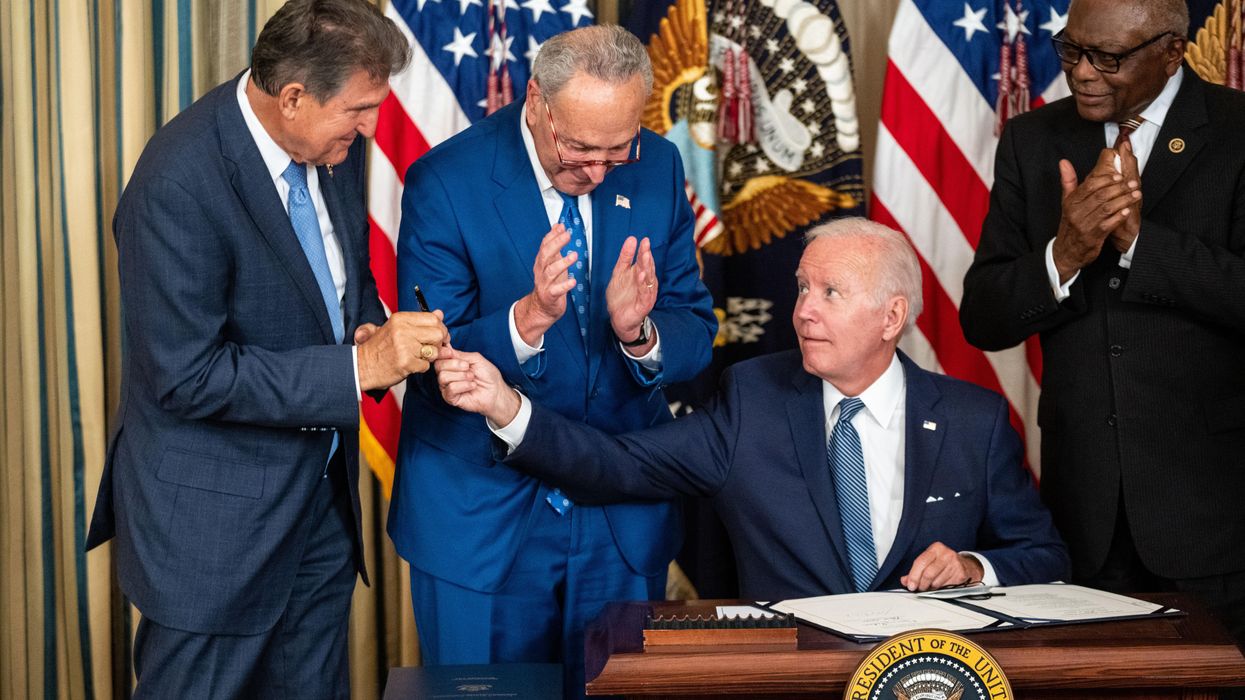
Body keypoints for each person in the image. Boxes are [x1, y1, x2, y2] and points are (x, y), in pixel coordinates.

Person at [84, 1, 449, 697]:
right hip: (214, 533)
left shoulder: (329, 148)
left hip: (320, 512)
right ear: (293, 97)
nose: (373, 128)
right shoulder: (177, 182)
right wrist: (358, 367)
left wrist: (370, 333)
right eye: (359, 110)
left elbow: (340, 285)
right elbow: (186, 377)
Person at [437, 218, 1069, 603]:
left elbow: (1045, 557)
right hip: (788, 678)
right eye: (802, 288)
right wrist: (508, 407)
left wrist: (972, 566)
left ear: (892, 317)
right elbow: (617, 464)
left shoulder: (973, 420)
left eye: (830, 293)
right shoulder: (754, 400)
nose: (803, 311)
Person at [389, 24, 717, 696]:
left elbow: (695, 326)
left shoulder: (657, 164)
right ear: (536, 101)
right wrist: (528, 319)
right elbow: (428, 358)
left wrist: (639, 333)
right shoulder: (445, 180)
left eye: (615, 151)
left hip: (619, 512)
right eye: (579, 148)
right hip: (485, 517)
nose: (596, 171)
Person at [960, 0, 1245, 648]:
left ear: (1170, 53)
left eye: (1107, 58)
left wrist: (1142, 244)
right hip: (1081, 518)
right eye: (1071, 50)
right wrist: (1062, 255)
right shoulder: (1032, 139)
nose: (1081, 72)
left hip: (1214, 516)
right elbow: (983, 318)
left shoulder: (1236, 132)